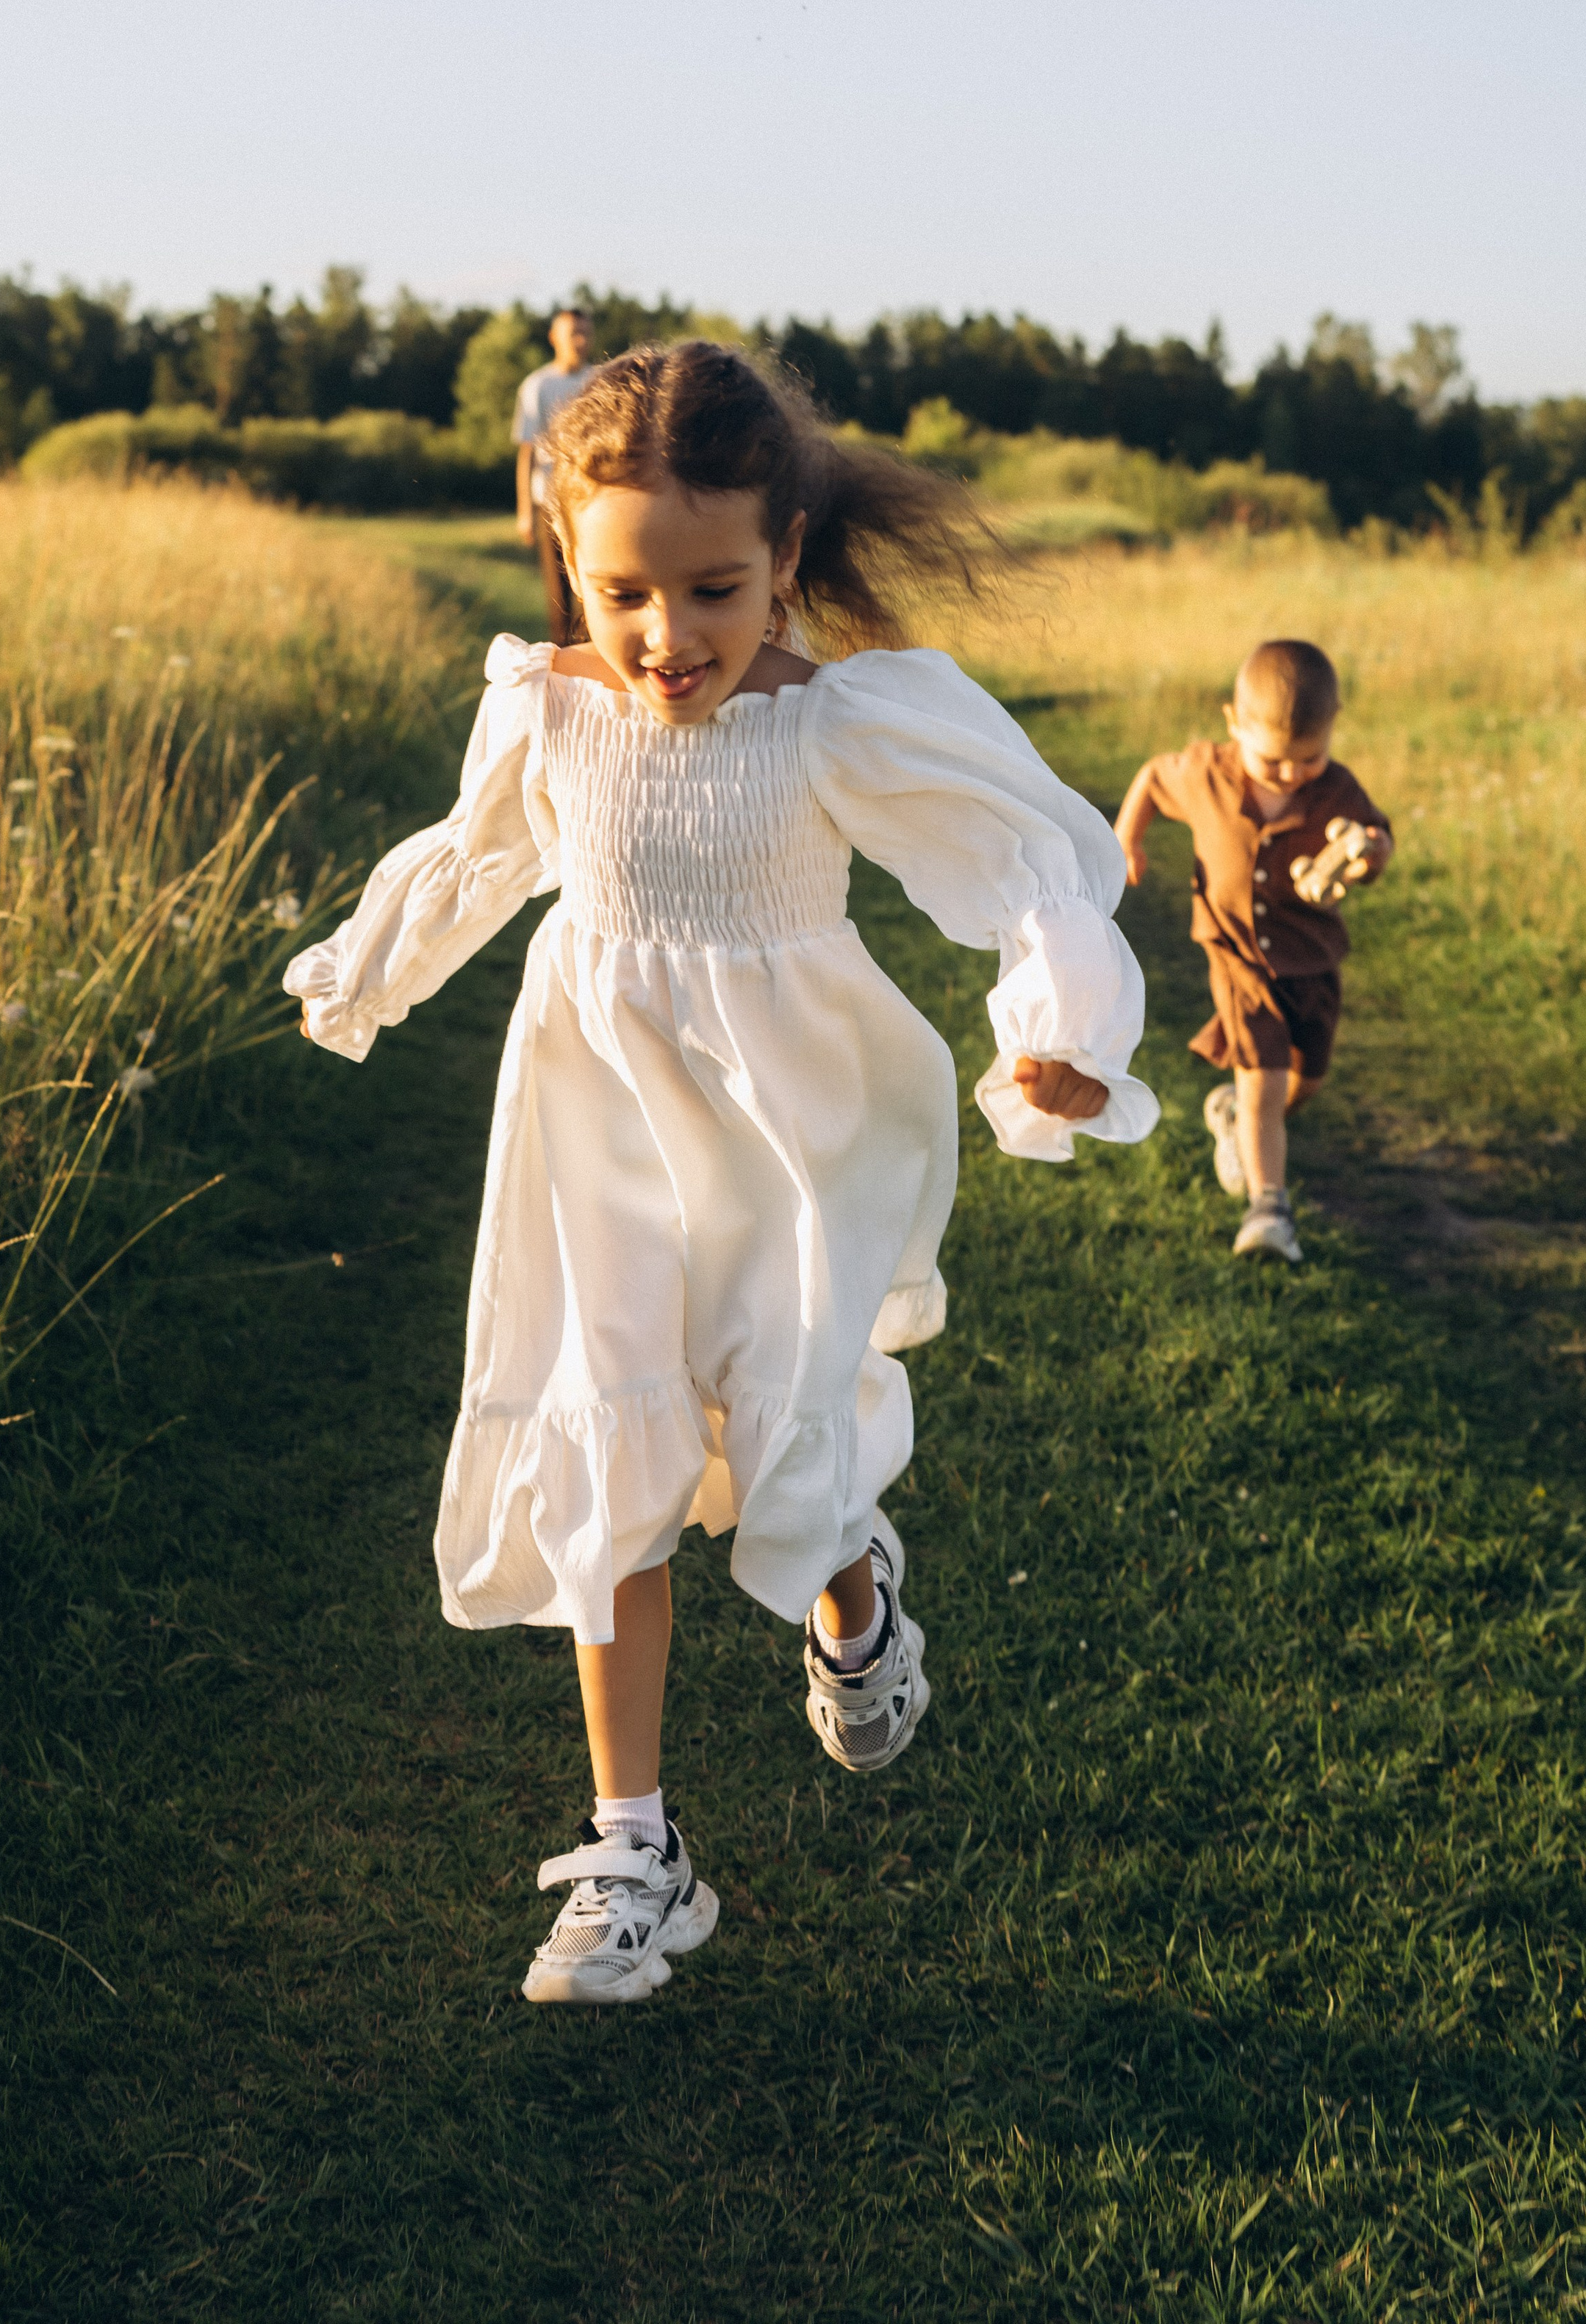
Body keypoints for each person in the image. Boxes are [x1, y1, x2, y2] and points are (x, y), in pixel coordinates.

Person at [286, 341, 1159, 2004]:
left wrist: (1058, 1024)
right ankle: (635, 1848)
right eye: (626, 590)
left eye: (713, 589)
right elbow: (473, 858)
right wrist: (363, 969)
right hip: (593, 1116)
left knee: (776, 1440)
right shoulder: (546, 702)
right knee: (607, 1423)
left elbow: (1023, 858)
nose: (666, 636)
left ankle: (854, 1598)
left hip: (789, 1127)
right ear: (560, 542)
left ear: (782, 554)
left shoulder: (830, 715)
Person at [1113, 639, 1392, 1266]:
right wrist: (1127, 837)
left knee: (1305, 1079)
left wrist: (1370, 855)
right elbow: (1154, 778)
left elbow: (1378, 844)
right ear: (1233, 723)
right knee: (1265, 1081)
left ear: (1331, 730)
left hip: (1312, 957)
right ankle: (1269, 1212)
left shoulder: (1337, 791)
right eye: (1273, 762)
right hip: (1237, 957)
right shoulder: (1207, 775)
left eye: (1309, 758)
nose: (1292, 773)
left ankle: (1234, 1115)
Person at [514, 304, 596, 642]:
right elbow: (527, 453)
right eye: (571, 334)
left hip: (593, 501)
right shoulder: (538, 386)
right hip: (550, 501)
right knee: (559, 594)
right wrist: (524, 514)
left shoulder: (600, 381)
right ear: (554, 338)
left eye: (584, 334)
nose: (578, 341)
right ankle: (565, 666)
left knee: (595, 588)